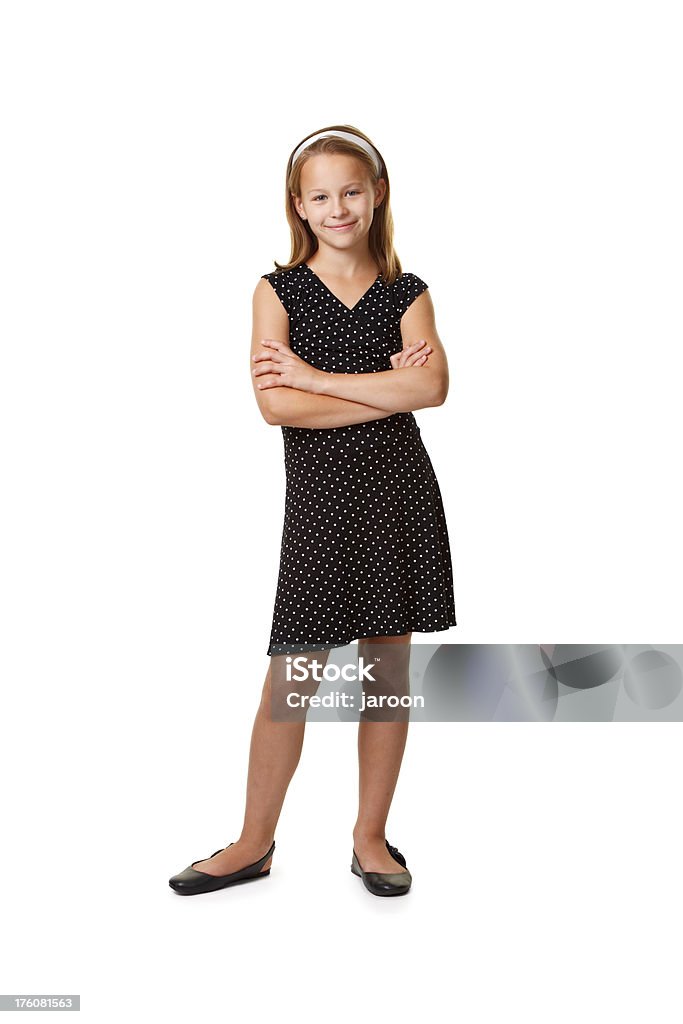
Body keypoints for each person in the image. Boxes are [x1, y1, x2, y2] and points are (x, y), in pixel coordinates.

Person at [169, 125, 456, 899]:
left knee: (386, 673)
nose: (338, 208)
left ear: (377, 194)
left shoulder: (408, 293)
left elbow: (429, 392)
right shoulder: (278, 291)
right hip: (322, 507)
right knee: (291, 678)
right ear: (298, 206)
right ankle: (252, 842)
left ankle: (370, 838)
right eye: (321, 195)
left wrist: (316, 377)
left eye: (351, 191)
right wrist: (370, 383)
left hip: (399, 495)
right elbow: (274, 406)